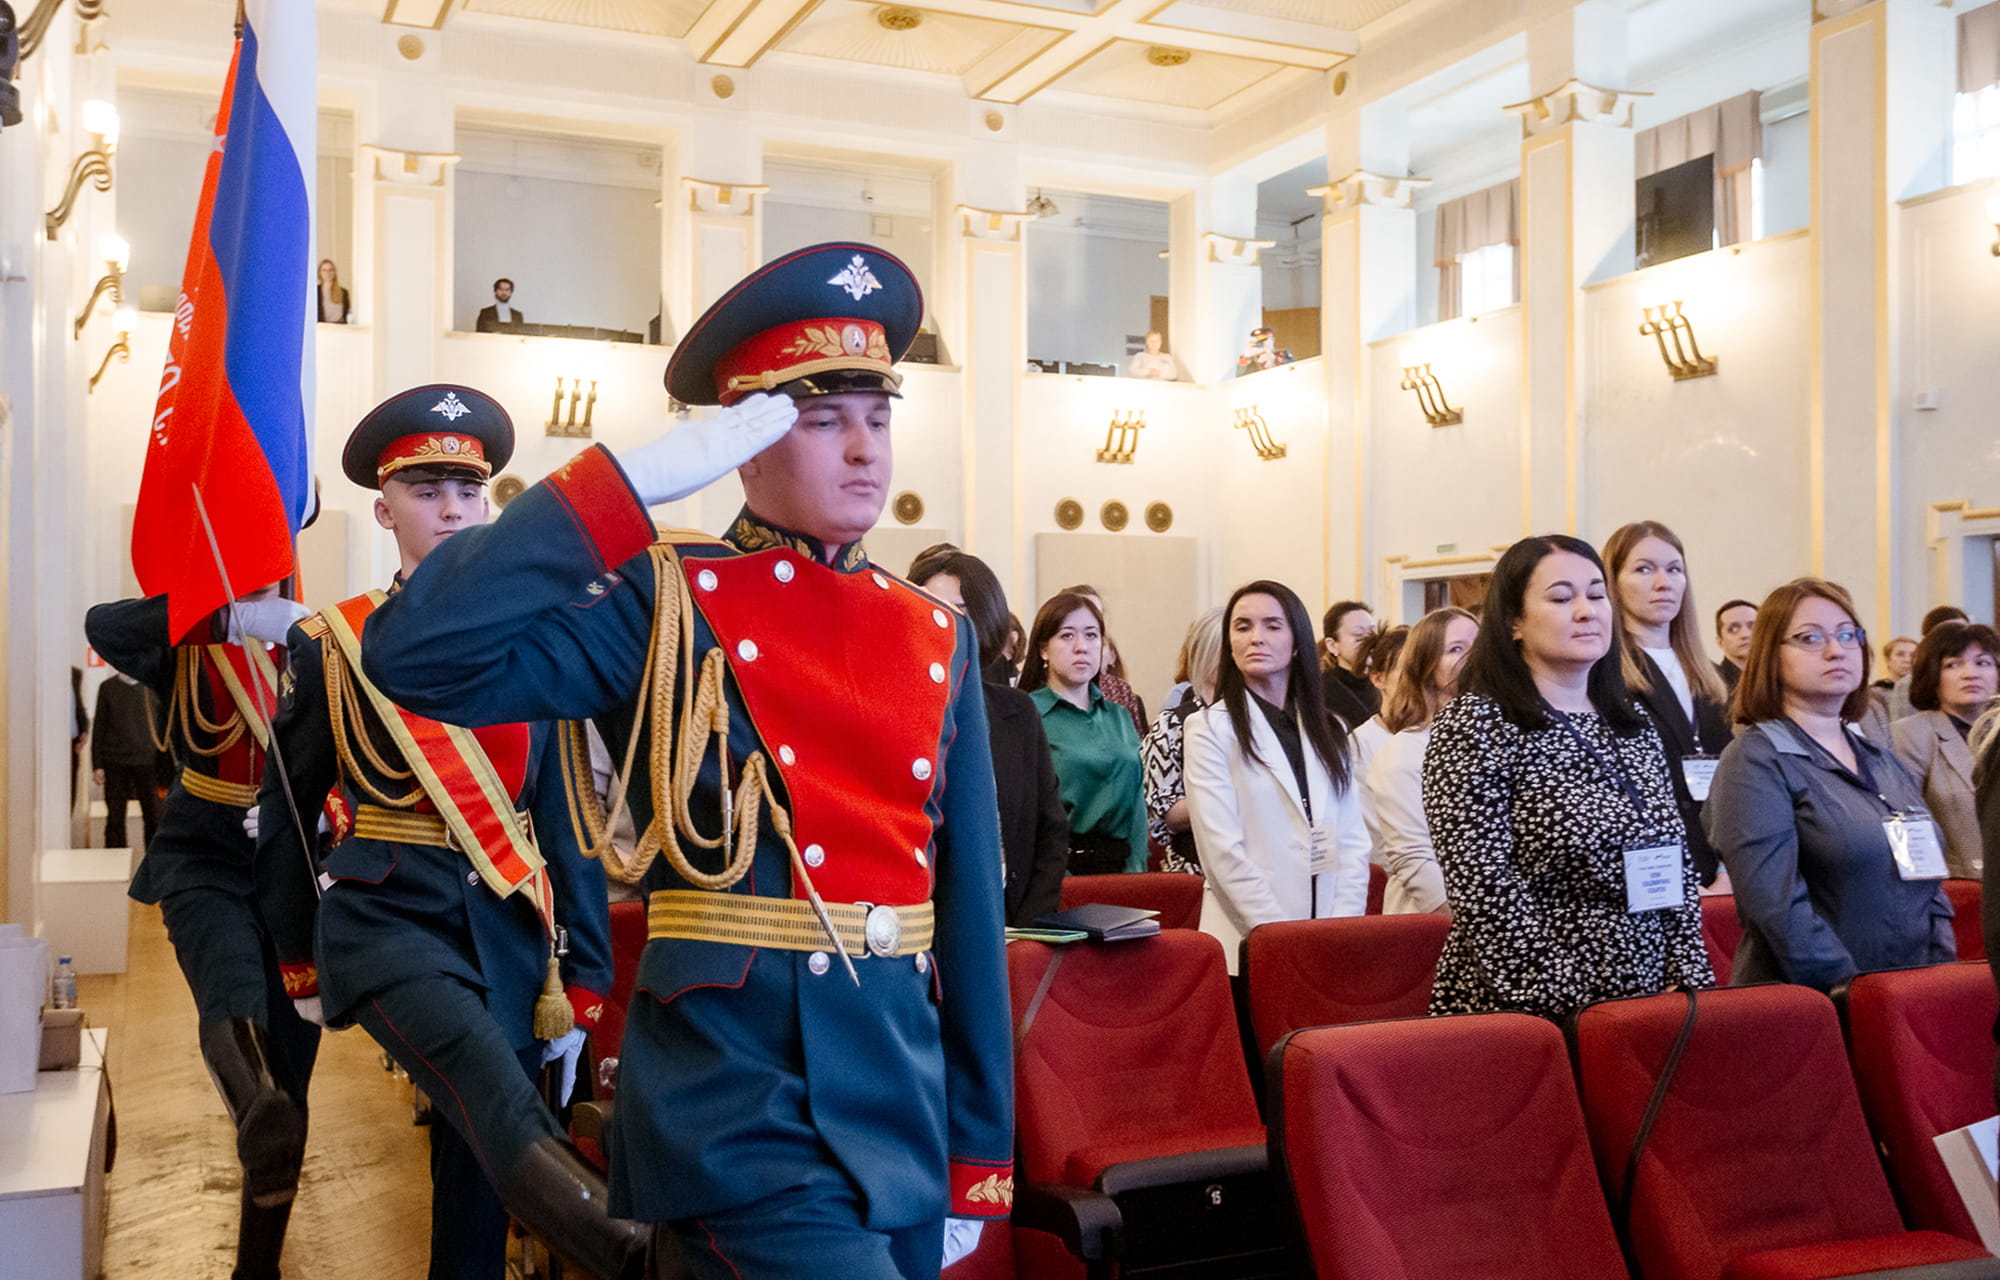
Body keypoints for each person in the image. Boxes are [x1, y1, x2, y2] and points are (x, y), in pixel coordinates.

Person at [361, 243, 1012, 1277]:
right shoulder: (662, 600)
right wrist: (619, 489)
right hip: (735, 1098)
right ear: (740, 445)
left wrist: (979, 1145)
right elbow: (417, 653)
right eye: (821, 417)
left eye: (877, 417)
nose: (863, 449)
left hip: (896, 1097)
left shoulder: (936, 630)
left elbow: (970, 905)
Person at [255, 386, 638, 1280]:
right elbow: (288, 825)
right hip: (388, 923)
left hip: (509, 935)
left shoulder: (538, 643)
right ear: (384, 509)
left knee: (474, 1168)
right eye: (428, 491)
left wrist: (582, 976)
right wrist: (297, 963)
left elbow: (562, 822)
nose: (454, 510)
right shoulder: (331, 644)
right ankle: (619, 1251)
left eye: (469, 491)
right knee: (491, 1087)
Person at [85, 581, 318, 1280]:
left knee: (291, 1093)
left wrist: (316, 810)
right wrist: (228, 615)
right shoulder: (189, 647)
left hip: (290, 868)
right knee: (232, 994)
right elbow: (107, 627)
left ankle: (258, 1265)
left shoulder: (320, 644)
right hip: (202, 857)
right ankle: (257, 1098)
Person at [1422, 535, 1712, 1020]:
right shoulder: (1477, 724)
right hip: (1531, 1002)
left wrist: (1690, 983)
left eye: (1597, 595)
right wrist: (1568, 1001)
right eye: (1561, 598)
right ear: (1514, 621)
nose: (1586, 611)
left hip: (1648, 996)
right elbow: (1484, 886)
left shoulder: (1633, 726)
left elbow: (1674, 866)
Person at [1703, 579, 1957, 991]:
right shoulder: (1755, 759)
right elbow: (1777, 908)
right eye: (1809, 638)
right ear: (1770, 655)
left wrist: (1937, 977)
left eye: (1847, 634)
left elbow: (1928, 879)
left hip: (1909, 997)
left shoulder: (1880, 758)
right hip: (1818, 1007)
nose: (1836, 649)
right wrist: (1854, 993)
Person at [1184, 581, 1369, 972]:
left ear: (1297, 641)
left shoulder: (1330, 728)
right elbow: (1222, 853)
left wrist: (1339, 930)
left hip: (1328, 939)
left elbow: (1352, 842)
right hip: (1249, 941)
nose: (1256, 638)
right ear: (1229, 645)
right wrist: (1282, 939)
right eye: (1243, 627)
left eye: (1272, 625)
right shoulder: (1209, 729)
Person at [908, 544, 1069, 926]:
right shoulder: (897, 711)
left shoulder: (1017, 711)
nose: (943, 621)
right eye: (929, 606)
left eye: (959, 610)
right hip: (921, 924)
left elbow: (1050, 829)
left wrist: (1029, 923)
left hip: (1011, 920)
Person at [1604, 521, 1733, 888]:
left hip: (1720, 870)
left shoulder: (1707, 676)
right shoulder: (1604, 676)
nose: (1664, 582)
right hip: (1652, 874)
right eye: (1644, 569)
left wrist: (1727, 869)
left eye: (1674, 569)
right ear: (1613, 583)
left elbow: (1728, 786)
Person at [1023, 591, 1149, 875]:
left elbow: (1137, 805)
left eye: (1091, 636)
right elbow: (1025, 816)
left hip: (1123, 866)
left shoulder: (1119, 715)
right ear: (1044, 649)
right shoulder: (1027, 715)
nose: (1082, 647)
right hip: (1059, 870)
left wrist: (1138, 870)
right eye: (1067, 636)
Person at [1362, 606, 1477, 915]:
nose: (1474, 657)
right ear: (1427, 668)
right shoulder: (1404, 751)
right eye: (1456, 649)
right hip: (1432, 928)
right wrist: (1484, 933)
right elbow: (1415, 863)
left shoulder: (1505, 739)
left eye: (1481, 646)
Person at [1889, 620, 2000, 879]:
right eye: (1953, 664)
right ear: (1932, 675)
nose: (1970, 673)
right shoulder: (1911, 735)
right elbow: (1905, 830)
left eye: (1982, 663)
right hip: (1955, 894)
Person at [1142, 608, 1224, 875]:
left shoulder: (1261, 720)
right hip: (1195, 868)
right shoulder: (1173, 725)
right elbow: (1167, 814)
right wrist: (1235, 795)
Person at [1060, 583, 1147, 736]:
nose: (1082, 645)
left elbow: (1138, 750)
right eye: (1068, 635)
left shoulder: (1119, 690)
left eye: (1096, 615)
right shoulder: (1036, 699)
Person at [92, 670, 166, 849]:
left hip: (147, 761)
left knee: (153, 817)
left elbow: (163, 727)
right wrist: (97, 764)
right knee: (115, 818)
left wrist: (164, 765)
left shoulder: (152, 687)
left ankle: (153, 862)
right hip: (115, 760)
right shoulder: (108, 688)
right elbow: (99, 726)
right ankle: (113, 861)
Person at [1886, 605, 1971, 721]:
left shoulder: (1983, 676)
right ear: (1926, 639)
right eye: (1947, 634)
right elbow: (1904, 735)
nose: (1958, 641)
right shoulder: (1908, 686)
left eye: (1964, 633)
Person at [1347, 625, 1407, 782]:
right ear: (1378, 679)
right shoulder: (1361, 742)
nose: (1419, 679)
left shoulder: (1436, 731)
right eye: (1407, 671)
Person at [1320, 600, 1378, 726]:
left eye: (1372, 632)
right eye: (1358, 635)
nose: (1369, 641)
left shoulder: (1383, 682)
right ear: (1332, 645)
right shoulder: (1321, 692)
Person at [1714, 598, 1756, 693]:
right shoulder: (1714, 686)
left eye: (1753, 627)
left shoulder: (1779, 681)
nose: (1745, 634)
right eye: (1733, 629)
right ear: (1720, 641)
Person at [316, 258, 350, 325]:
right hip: (322, 328)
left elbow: (346, 313)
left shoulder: (343, 292)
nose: (328, 273)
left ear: (335, 272)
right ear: (319, 273)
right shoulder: (316, 291)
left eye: (330, 270)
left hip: (340, 328)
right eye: (324, 270)